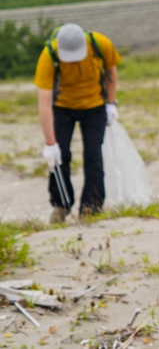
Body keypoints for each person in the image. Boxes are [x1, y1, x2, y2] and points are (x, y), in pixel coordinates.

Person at [33, 23, 120, 223]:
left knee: (93, 155)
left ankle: (91, 207)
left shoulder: (100, 44)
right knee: (60, 156)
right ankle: (61, 205)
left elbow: (111, 73)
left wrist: (110, 103)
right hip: (62, 107)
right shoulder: (49, 56)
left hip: (95, 106)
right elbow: (44, 102)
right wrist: (50, 144)